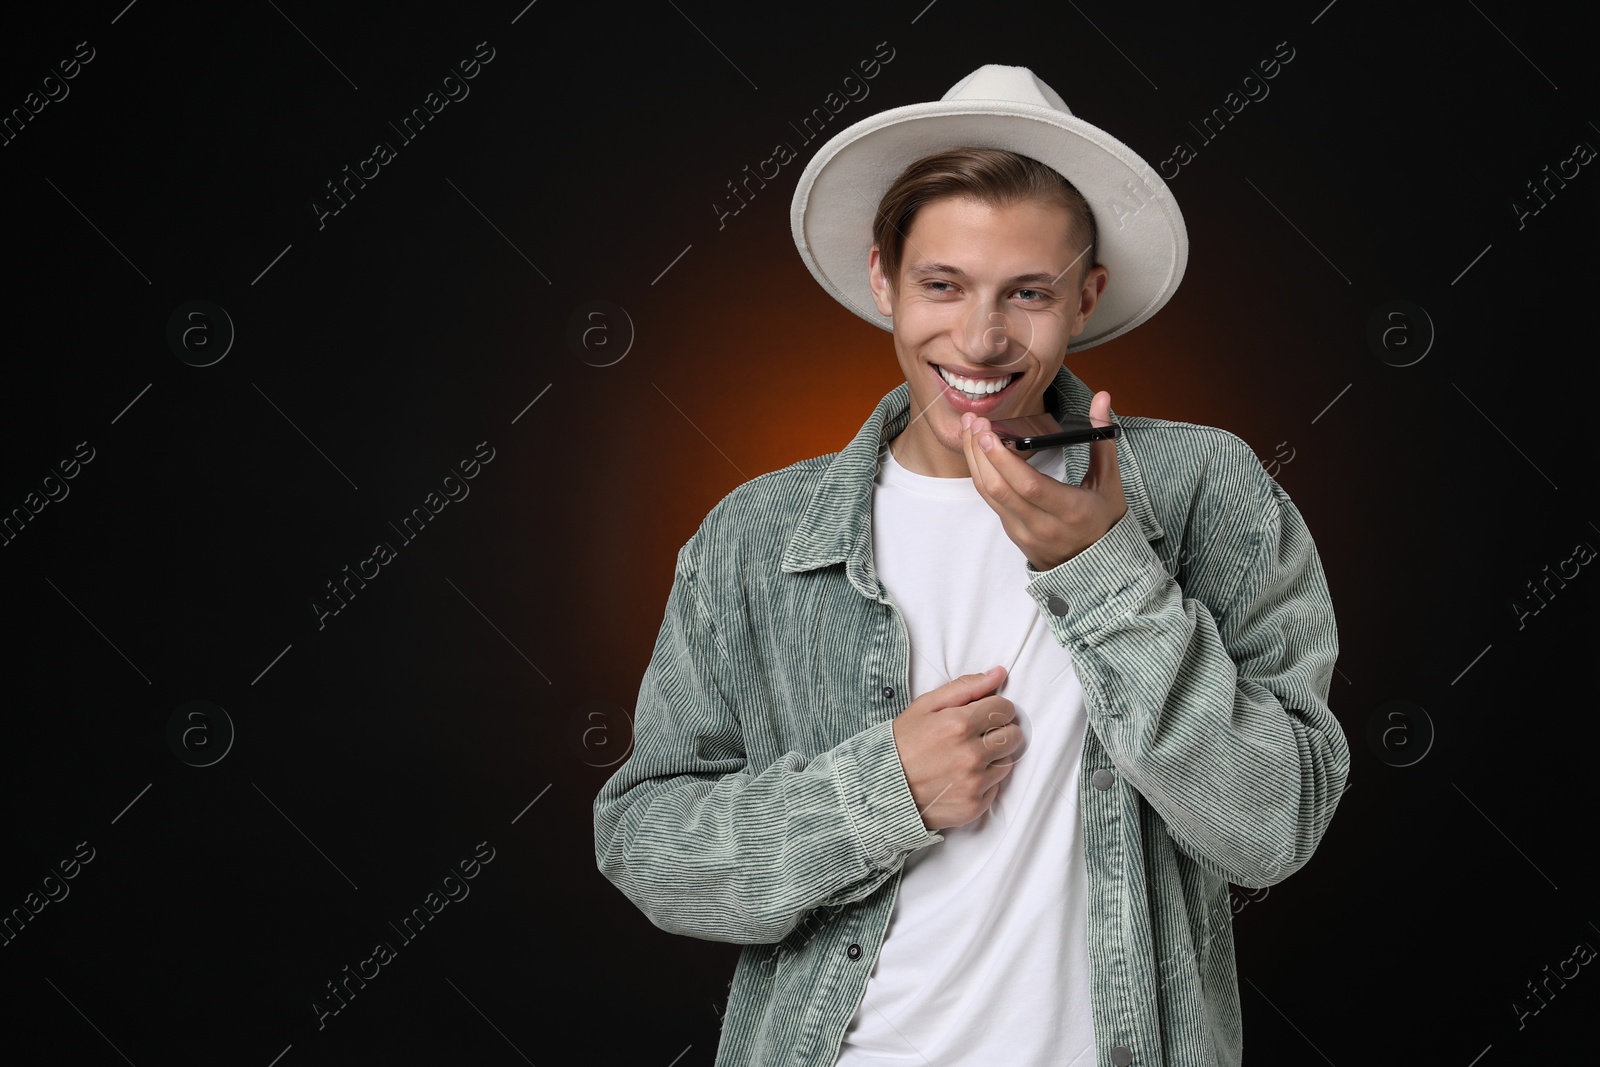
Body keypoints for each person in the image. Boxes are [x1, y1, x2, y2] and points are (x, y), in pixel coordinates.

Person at [593, 64, 1349, 1067]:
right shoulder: (754, 535)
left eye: (1026, 293)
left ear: (1085, 296)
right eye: (941, 285)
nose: (980, 339)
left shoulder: (1205, 489)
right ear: (883, 280)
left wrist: (1106, 572)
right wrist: (879, 791)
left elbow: (1274, 824)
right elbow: (648, 847)